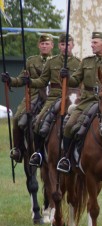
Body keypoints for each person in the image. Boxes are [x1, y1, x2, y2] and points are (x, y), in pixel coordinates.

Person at [56, 31, 102, 173]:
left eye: (95, 42)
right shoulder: (86, 62)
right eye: (92, 42)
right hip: (87, 101)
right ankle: (66, 158)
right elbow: (74, 81)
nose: (92, 45)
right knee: (70, 125)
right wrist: (65, 76)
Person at [26, 33, 80, 167]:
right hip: (54, 96)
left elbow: (81, 83)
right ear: (59, 46)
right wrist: (29, 81)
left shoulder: (79, 63)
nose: (65, 47)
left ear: (72, 45)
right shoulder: (52, 62)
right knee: (39, 120)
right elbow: (42, 81)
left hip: (73, 97)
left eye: (68, 44)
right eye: (62, 44)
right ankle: (38, 153)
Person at [1, 33, 54, 163]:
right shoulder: (31, 61)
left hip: (52, 95)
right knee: (18, 118)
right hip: (33, 95)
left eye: (47, 44)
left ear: (52, 45)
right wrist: (10, 80)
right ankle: (18, 149)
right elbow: (20, 79)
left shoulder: (57, 61)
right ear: (38, 45)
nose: (44, 46)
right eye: (42, 44)